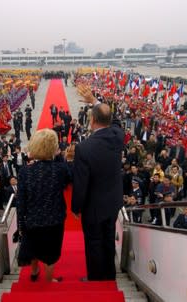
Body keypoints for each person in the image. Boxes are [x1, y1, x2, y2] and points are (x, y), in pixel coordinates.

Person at [72, 86, 124, 281]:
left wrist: (76, 207)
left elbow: (81, 182)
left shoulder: (83, 148)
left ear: (91, 120)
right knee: (108, 237)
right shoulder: (118, 136)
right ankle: (109, 274)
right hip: (113, 200)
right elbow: (116, 121)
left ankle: (95, 276)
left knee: (94, 240)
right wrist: (95, 102)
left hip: (93, 205)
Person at [16, 129, 72, 282]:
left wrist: (20, 223)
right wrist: (60, 156)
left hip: (32, 219)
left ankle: (34, 272)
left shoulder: (24, 171)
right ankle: (49, 282)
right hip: (54, 219)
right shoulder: (60, 169)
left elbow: (21, 200)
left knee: (33, 247)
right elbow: (70, 178)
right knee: (50, 254)